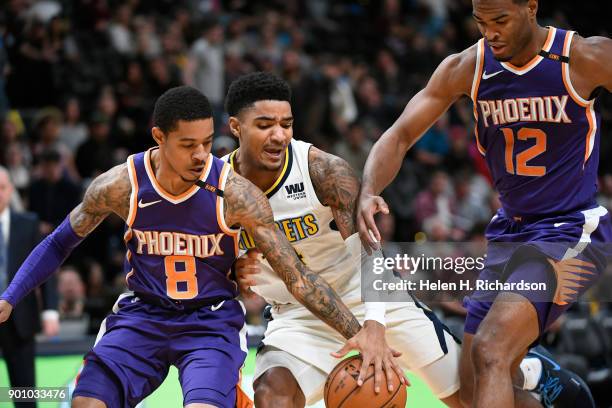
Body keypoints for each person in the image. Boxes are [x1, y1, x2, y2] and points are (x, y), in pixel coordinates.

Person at [0, 86, 382, 408]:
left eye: (206, 142)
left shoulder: (236, 194)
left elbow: (298, 277)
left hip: (209, 321)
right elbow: (58, 243)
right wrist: (10, 297)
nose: (201, 155)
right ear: (159, 138)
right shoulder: (121, 185)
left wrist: (358, 331)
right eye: (188, 145)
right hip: (142, 316)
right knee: (86, 403)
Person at [357, 0, 610, 407]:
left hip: (570, 227)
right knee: (477, 390)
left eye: (500, 21)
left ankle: (536, 370)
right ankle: (548, 380)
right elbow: (401, 134)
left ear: (531, 8)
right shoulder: (468, 66)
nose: (489, 32)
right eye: (480, 22)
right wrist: (369, 188)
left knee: (491, 350)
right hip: (509, 231)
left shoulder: (582, 56)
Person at [224, 72, 462, 407]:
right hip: (297, 315)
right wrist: (231, 268)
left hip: (369, 298)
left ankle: (535, 373)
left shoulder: (323, 171)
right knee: (272, 398)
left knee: (473, 395)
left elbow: (370, 252)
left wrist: (375, 326)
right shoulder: (217, 187)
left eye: (287, 124)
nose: (279, 135)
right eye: (265, 125)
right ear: (236, 127)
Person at [0, 166, 59, 408]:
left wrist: (50, 311)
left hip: (20, 318)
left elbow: (45, 268)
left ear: (10, 189)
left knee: (24, 395)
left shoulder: (28, 223)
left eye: (1, 188)